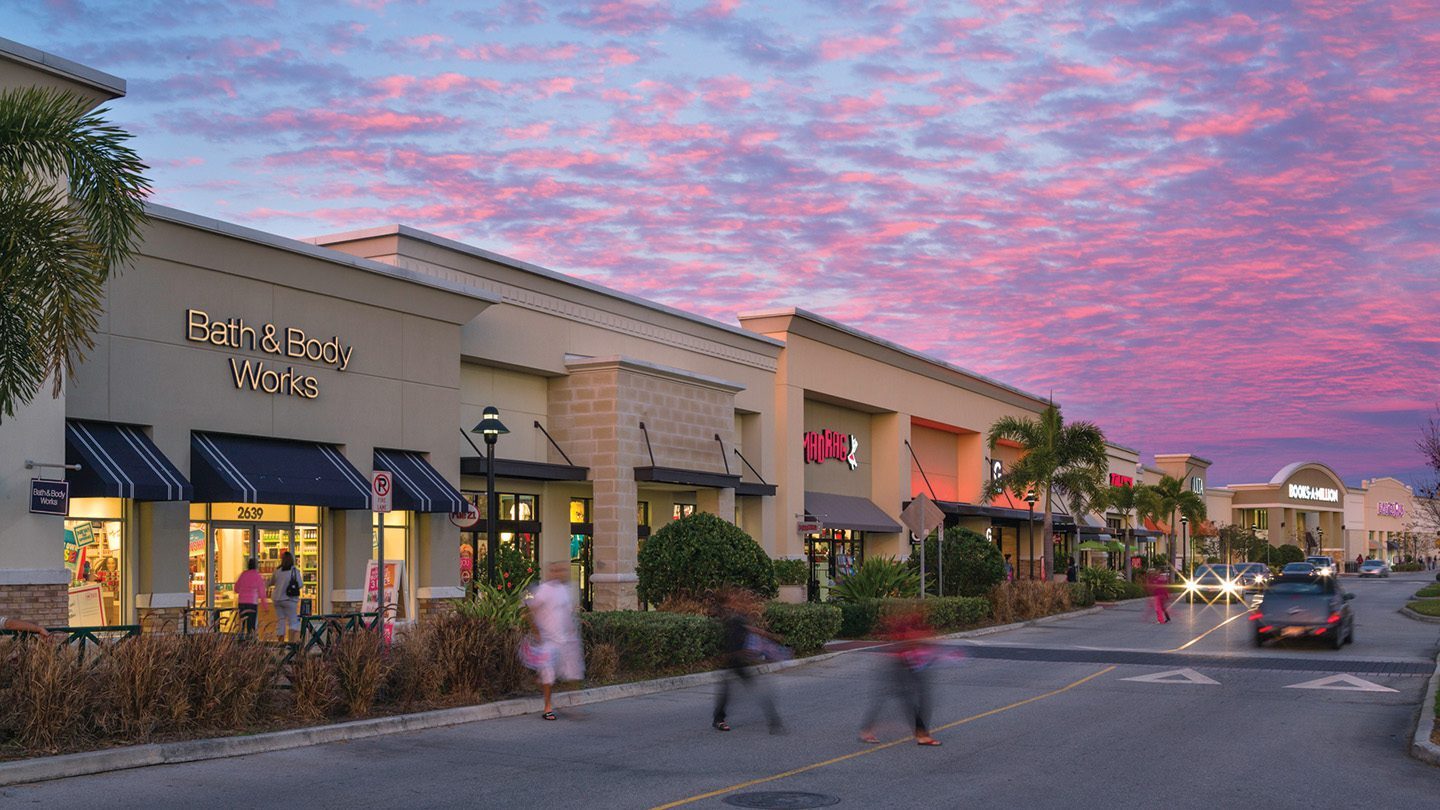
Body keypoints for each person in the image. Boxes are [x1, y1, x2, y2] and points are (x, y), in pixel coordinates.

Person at [858, 608, 941, 746]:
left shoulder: (915, 622)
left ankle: (866, 730)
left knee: (917, 696)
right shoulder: (907, 624)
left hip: (911, 663)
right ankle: (921, 734)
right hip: (900, 663)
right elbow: (907, 641)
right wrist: (923, 641)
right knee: (908, 698)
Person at [712, 590, 784, 734]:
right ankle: (718, 719)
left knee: (748, 690)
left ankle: (774, 721)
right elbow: (738, 637)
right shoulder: (732, 619)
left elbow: (751, 629)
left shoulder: (738, 618)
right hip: (733, 660)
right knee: (729, 692)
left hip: (738, 661)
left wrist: (770, 636)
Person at [525, 561, 584, 721]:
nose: (559, 573)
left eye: (561, 570)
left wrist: (572, 630)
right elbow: (531, 610)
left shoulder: (565, 590)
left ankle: (573, 705)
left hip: (566, 640)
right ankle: (547, 708)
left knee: (572, 673)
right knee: (548, 674)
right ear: (550, 572)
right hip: (548, 640)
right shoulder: (544, 590)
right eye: (555, 570)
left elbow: (567, 613)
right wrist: (537, 633)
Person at [271, 551, 302, 643]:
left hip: (277, 599)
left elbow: (271, 582)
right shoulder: (295, 571)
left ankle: (280, 643)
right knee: (293, 621)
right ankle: (292, 643)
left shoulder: (278, 571)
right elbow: (300, 584)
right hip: (290, 600)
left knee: (281, 621)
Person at [233, 558, 266, 636]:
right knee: (251, 625)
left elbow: (236, 589)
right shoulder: (257, 576)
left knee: (241, 624)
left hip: (242, 603)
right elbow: (262, 592)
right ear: (256, 566)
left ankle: (240, 642)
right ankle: (249, 642)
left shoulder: (243, 574)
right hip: (252, 603)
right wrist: (265, 606)